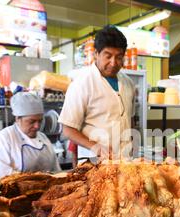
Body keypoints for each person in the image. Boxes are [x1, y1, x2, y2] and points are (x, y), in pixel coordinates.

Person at [58, 25, 135, 162]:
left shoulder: (128, 83)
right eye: (108, 56)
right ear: (96, 54)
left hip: (125, 161)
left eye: (119, 57)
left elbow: (130, 120)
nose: (113, 63)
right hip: (93, 161)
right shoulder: (82, 83)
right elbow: (68, 128)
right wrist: (95, 147)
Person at [0, 92, 61, 179]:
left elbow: (56, 172)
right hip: (16, 192)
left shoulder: (43, 138)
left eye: (40, 121)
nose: (37, 126)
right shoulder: (3, 140)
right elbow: (1, 177)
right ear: (18, 118)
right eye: (31, 121)